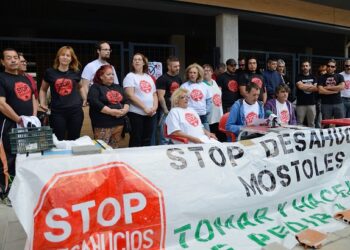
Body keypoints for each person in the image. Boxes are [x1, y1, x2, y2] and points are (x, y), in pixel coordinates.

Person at [0, 48, 37, 206]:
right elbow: (1, 103)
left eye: (15, 57)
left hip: (27, 125)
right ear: (3, 62)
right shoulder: (1, 78)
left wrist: (33, 118)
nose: (13, 60)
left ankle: (22, 190)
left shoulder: (26, 78)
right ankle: (7, 193)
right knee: (9, 158)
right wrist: (17, 119)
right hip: (9, 124)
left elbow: (33, 99)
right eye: (9, 58)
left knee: (27, 156)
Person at [39, 46, 85, 141]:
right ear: (58, 57)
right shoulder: (50, 72)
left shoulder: (76, 73)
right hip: (57, 112)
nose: (65, 57)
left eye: (68, 55)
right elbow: (43, 89)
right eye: (63, 55)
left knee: (74, 140)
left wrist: (84, 99)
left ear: (71, 59)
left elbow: (80, 87)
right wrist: (43, 103)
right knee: (58, 140)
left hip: (75, 112)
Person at [87, 65, 129, 148]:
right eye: (108, 74)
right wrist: (111, 112)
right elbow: (94, 102)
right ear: (101, 76)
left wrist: (124, 110)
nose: (112, 76)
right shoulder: (95, 87)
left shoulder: (117, 87)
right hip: (103, 124)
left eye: (112, 74)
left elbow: (126, 100)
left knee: (114, 148)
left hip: (118, 123)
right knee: (101, 149)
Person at [123, 53, 158, 147]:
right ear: (132, 63)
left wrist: (154, 107)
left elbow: (154, 94)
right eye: (135, 59)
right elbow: (130, 95)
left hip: (151, 114)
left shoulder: (148, 77)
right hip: (136, 114)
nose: (137, 61)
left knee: (147, 139)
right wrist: (145, 108)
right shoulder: (130, 76)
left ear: (143, 63)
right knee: (136, 139)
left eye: (139, 59)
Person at [156, 56, 182, 145]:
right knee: (164, 137)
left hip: (176, 111)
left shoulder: (179, 78)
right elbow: (160, 97)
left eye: (178, 66)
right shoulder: (162, 79)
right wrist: (166, 110)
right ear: (169, 67)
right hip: (166, 112)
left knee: (174, 136)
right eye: (175, 66)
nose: (178, 68)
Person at [181, 63, 212, 131]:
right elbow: (181, 102)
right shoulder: (184, 86)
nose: (192, 74)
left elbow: (209, 100)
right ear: (188, 74)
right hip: (190, 116)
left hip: (203, 116)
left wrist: (206, 112)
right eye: (190, 72)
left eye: (195, 73)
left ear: (198, 74)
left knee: (207, 137)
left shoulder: (204, 85)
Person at [202, 64, 225, 141]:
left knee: (221, 137)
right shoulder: (201, 84)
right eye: (204, 70)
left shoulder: (214, 82)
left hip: (218, 115)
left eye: (208, 70)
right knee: (212, 138)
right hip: (209, 116)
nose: (206, 72)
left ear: (212, 72)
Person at [295, 60, 318, 127]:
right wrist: (311, 86)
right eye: (303, 66)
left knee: (312, 123)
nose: (305, 67)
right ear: (302, 68)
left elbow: (316, 88)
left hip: (312, 104)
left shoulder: (314, 77)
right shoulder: (298, 76)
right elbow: (300, 87)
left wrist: (304, 86)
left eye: (306, 66)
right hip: (301, 104)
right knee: (299, 123)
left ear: (309, 67)